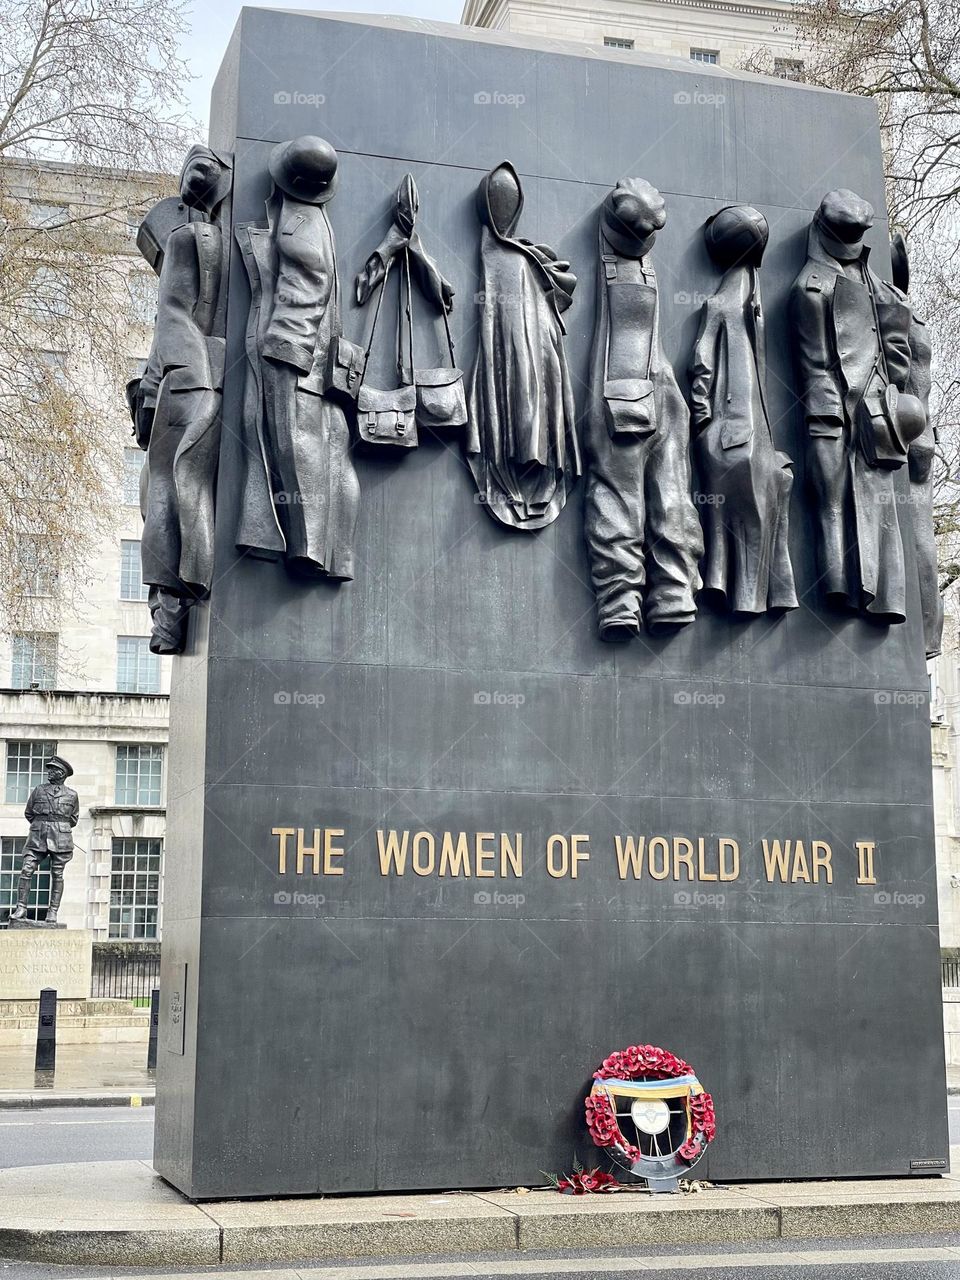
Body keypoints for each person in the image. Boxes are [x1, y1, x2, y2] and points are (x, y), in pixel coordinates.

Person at [128, 145, 233, 652]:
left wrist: (175, 381)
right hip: (198, 373)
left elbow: (171, 313)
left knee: (167, 482)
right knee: (167, 485)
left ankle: (168, 609)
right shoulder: (206, 238)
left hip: (192, 375)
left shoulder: (193, 239)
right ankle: (170, 607)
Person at [8, 756, 79, 925]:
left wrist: (56, 826)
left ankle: (53, 912)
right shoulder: (39, 790)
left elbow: (73, 819)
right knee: (26, 869)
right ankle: (21, 908)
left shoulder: (72, 795)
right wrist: (43, 825)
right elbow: (29, 813)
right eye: (50, 769)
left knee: (57, 874)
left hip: (61, 839)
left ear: (61, 774)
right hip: (37, 837)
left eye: (53, 770)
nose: (49, 772)